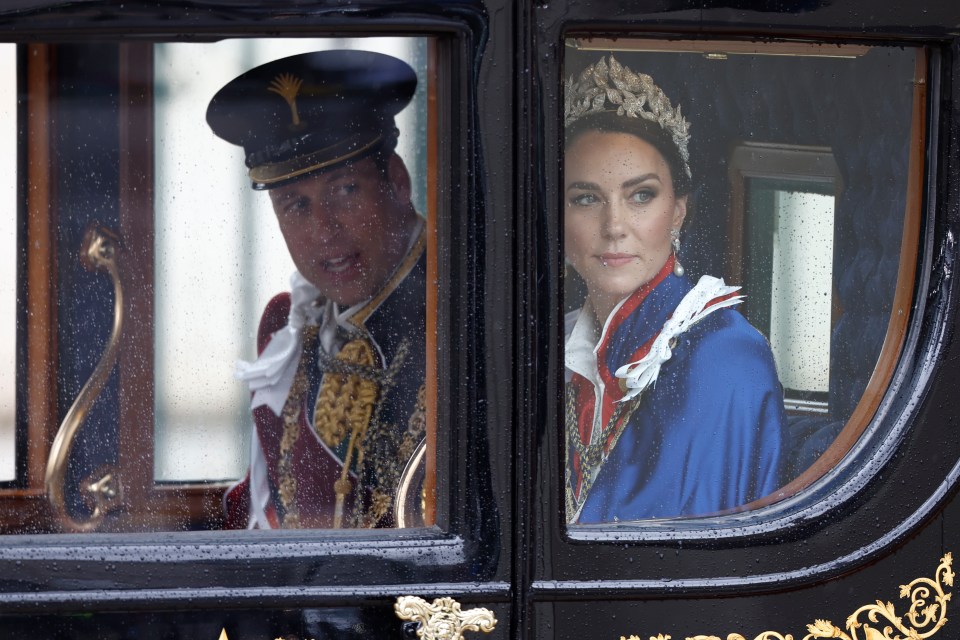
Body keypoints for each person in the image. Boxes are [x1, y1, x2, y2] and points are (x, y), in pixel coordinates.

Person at [206, 50, 427, 529]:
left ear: (397, 181)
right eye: (295, 206)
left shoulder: (468, 310)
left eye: (345, 190)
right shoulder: (288, 329)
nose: (323, 230)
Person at [563, 56, 788, 524]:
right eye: (586, 198)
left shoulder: (726, 358)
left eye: (641, 195)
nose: (614, 226)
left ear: (679, 211)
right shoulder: (555, 348)